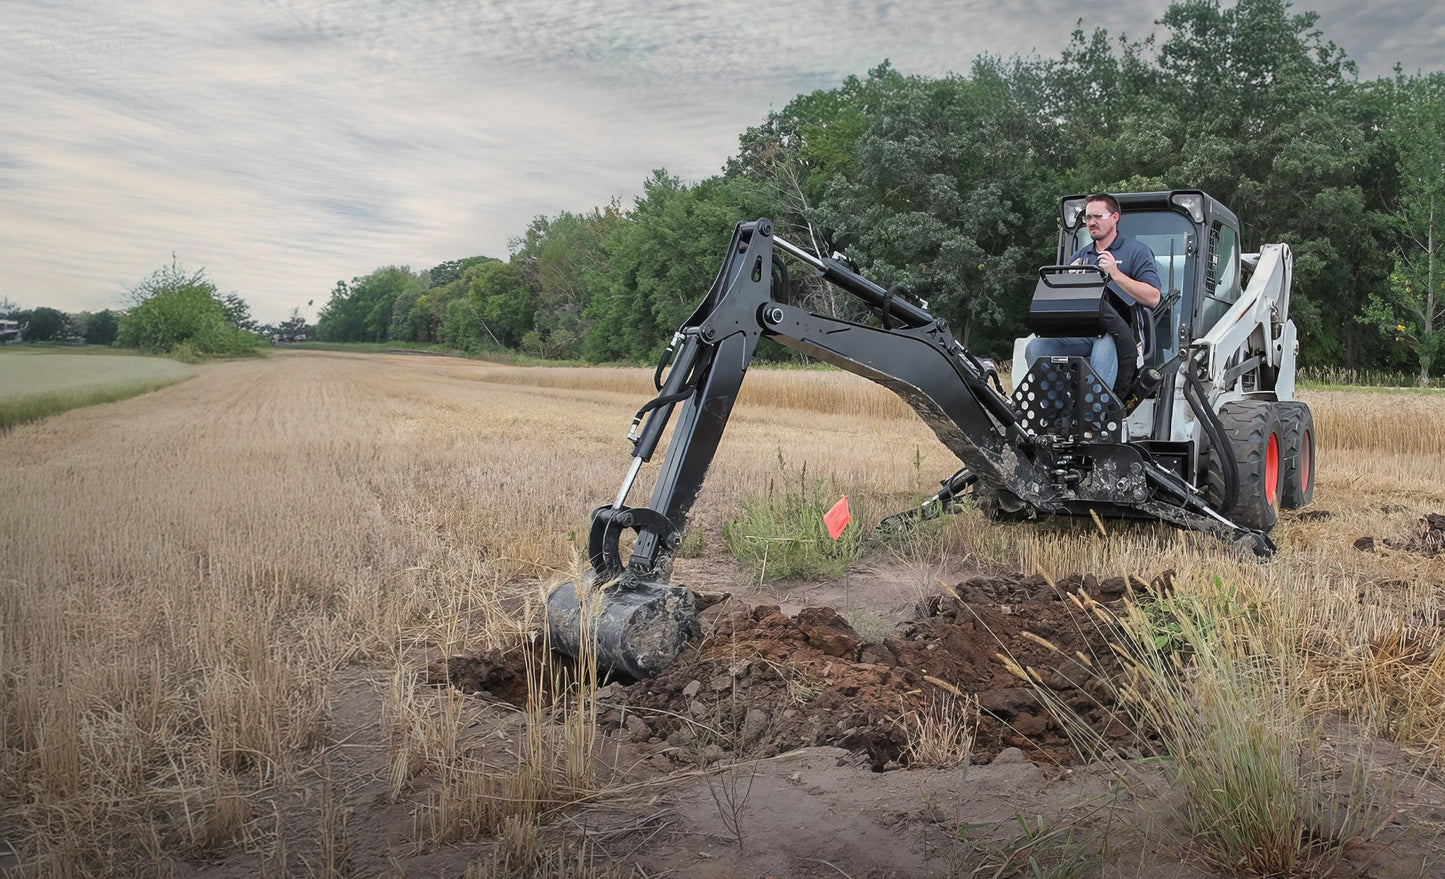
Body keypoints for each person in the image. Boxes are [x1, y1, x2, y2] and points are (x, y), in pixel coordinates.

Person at [1024, 193, 1162, 391]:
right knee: (1036, 347)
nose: (1091, 222)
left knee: (1103, 345)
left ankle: (1095, 414)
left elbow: (1154, 298)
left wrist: (1116, 274)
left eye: (1098, 217)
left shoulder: (1136, 252)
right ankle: (1055, 412)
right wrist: (1068, 282)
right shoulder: (1080, 256)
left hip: (1119, 336)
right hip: (1082, 333)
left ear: (1114, 218)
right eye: (1088, 218)